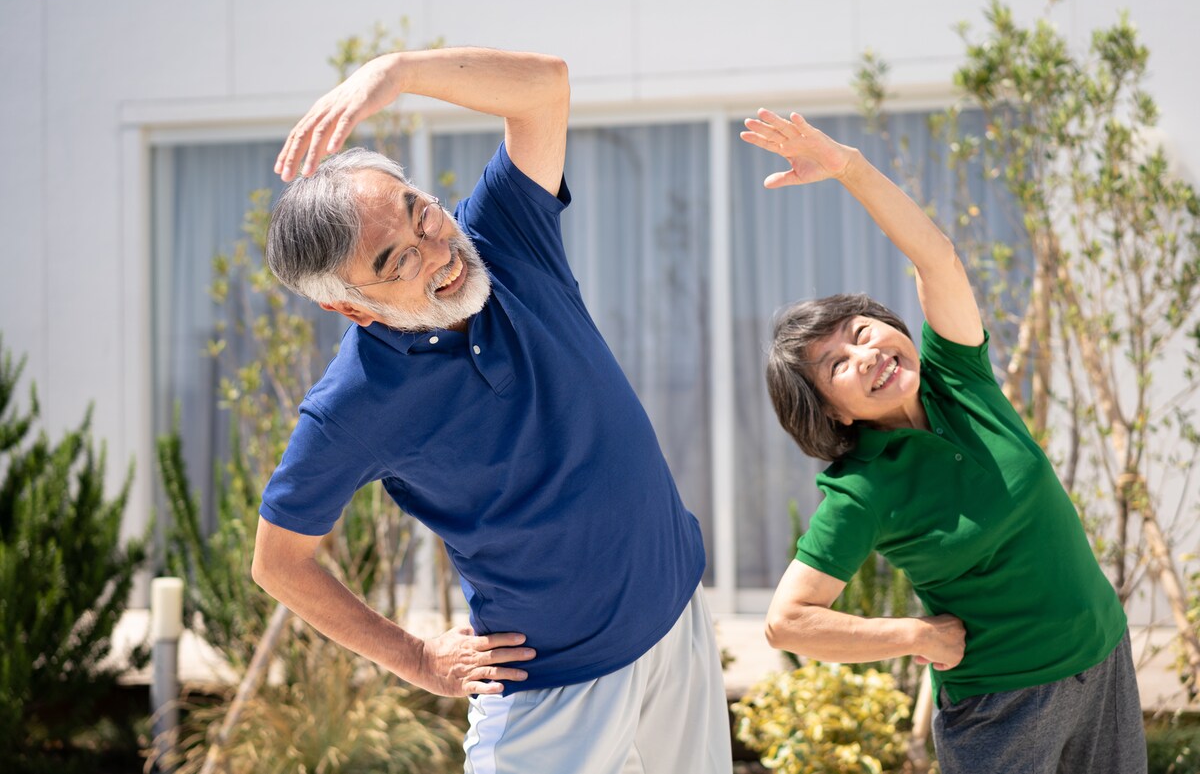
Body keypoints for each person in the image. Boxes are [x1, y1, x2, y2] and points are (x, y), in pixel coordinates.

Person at [252, 47, 732, 774]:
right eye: (399, 262)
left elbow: (545, 91)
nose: (437, 249)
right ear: (349, 305)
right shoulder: (352, 405)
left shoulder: (503, 235)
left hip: (677, 625)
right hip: (553, 690)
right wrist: (413, 656)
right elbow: (279, 562)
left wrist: (399, 72)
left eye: (422, 214)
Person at [741, 108, 1145, 774]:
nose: (864, 353)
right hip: (1007, 707)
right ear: (833, 413)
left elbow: (935, 255)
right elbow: (789, 621)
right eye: (837, 364)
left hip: (1103, 657)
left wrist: (847, 166)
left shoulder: (957, 378)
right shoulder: (863, 487)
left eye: (860, 330)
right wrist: (914, 635)